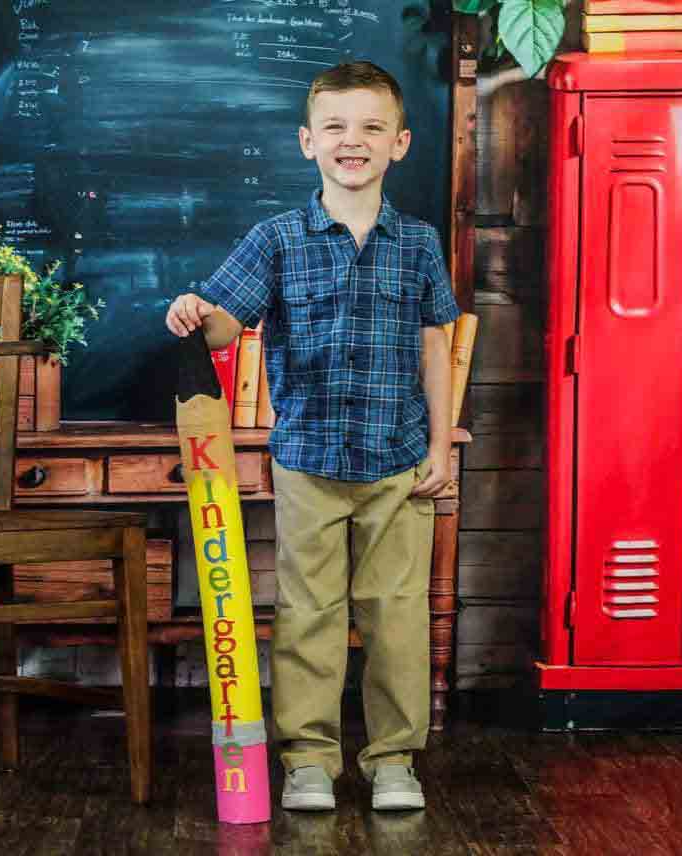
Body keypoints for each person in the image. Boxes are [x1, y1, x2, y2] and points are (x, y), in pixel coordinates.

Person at [164, 60, 460, 812]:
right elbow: (230, 320)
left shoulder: (419, 243)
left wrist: (438, 447)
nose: (351, 141)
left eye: (370, 127)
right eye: (335, 126)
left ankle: (393, 760)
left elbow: (436, 349)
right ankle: (309, 761)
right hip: (310, 462)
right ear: (307, 142)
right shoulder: (277, 238)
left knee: (396, 615)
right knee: (308, 616)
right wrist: (200, 311)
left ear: (400, 142)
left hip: (399, 463)